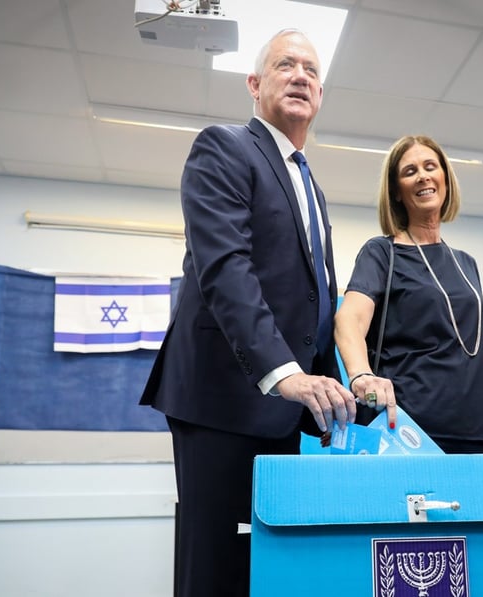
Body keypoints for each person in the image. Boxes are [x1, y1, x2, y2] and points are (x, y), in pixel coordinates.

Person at [139, 30, 356, 597]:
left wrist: (339, 380)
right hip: (225, 399)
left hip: (291, 412)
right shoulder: (225, 146)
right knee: (217, 572)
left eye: (310, 69)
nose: (301, 75)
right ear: (255, 85)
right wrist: (285, 373)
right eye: (286, 65)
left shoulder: (310, 183)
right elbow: (225, 268)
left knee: (275, 569)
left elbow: (316, 298)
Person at [334, 135, 483, 454]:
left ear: (445, 179)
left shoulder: (466, 263)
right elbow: (350, 317)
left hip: (478, 431)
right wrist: (360, 374)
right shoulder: (382, 253)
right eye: (409, 171)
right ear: (397, 192)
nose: (423, 176)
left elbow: (481, 354)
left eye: (431, 166)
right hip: (409, 429)